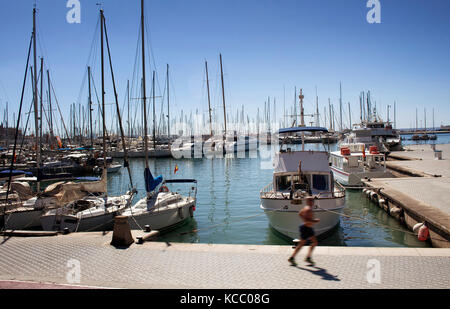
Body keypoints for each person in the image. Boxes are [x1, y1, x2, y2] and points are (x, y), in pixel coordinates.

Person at [288, 196, 320, 266]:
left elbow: (300, 214)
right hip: (306, 228)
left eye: (313, 200)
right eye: (311, 200)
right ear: (308, 202)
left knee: (314, 242)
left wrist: (307, 221)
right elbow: (306, 220)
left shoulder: (306, 208)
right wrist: (315, 221)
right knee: (302, 244)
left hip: (307, 228)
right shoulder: (308, 209)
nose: (313, 202)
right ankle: (293, 257)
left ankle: (307, 257)